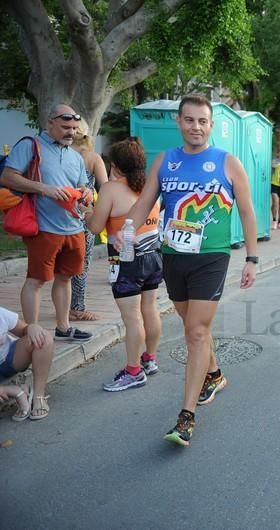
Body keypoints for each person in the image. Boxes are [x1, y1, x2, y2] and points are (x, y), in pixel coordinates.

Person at [124, 94, 259, 447]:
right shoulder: (165, 162)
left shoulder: (228, 163)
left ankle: (186, 417)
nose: (195, 126)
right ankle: (213, 375)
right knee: (191, 326)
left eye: (202, 121)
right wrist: (123, 235)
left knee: (196, 332)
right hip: (174, 256)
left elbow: (246, 212)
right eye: (189, 120)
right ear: (179, 122)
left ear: (211, 125)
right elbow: (143, 204)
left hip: (211, 257)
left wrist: (252, 258)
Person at [0, 104, 94, 342]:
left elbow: (86, 186)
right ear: (50, 122)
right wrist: (44, 189)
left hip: (74, 226)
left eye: (74, 128)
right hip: (43, 227)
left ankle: (63, 327)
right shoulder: (30, 145)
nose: (70, 132)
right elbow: (8, 177)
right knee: (37, 279)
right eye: (65, 127)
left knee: (65, 277)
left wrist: (85, 192)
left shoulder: (75, 156)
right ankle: (31, 330)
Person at [84, 137, 162, 392]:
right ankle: (149, 359)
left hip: (127, 259)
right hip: (153, 255)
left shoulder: (110, 189)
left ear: (115, 165)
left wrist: (83, 212)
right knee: (150, 309)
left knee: (132, 318)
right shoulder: (150, 185)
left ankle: (133, 371)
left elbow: (96, 227)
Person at [69, 121, 109, 323]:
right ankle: (77, 308)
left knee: (60, 268)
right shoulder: (92, 158)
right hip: (83, 216)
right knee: (82, 264)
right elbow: (106, 189)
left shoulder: (60, 153)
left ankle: (63, 308)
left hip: (56, 214)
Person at [0, 305, 55, 420]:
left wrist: (31, 327)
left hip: (6, 361)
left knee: (42, 338)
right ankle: (15, 390)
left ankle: (38, 396)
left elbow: (23, 329)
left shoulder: (1, 313)